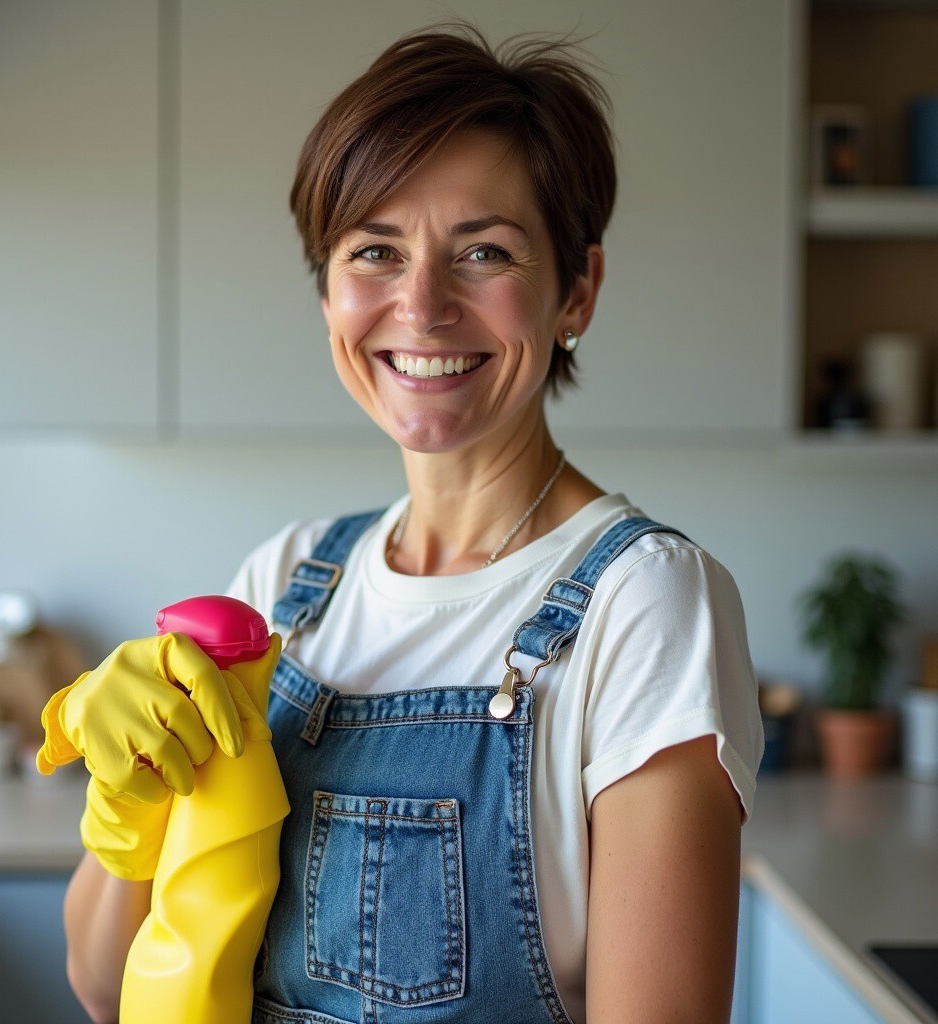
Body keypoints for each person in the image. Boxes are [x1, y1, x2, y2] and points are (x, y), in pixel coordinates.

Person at [52, 22, 763, 1024]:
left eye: (484, 250)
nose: (421, 306)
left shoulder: (642, 601)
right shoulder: (287, 584)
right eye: (374, 250)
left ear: (577, 292)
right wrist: (129, 805)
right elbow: (101, 983)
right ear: (328, 290)